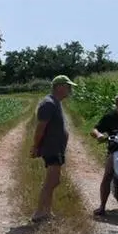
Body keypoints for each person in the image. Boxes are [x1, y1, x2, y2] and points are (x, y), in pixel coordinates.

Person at [29, 74, 77, 223]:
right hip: (52, 148)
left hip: (57, 147)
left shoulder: (56, 102)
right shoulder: (48, 103)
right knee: (51, 181)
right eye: (68, 86)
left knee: (54, 181)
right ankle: (39, 213)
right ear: (59, 87)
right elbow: (40, 128)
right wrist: (35, 147)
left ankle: (47, 212)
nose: (70, 90)